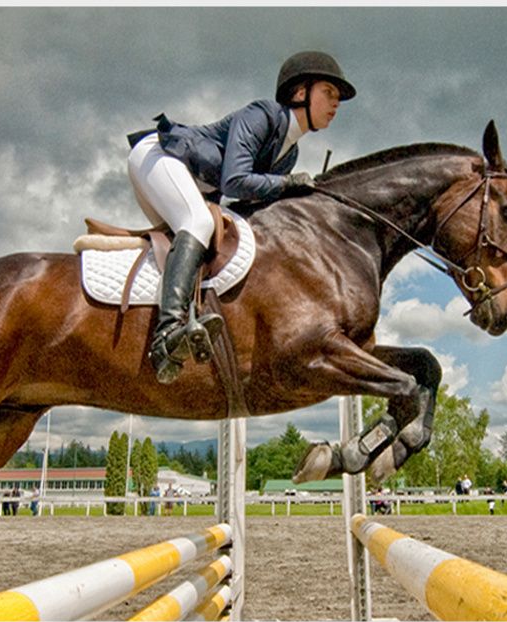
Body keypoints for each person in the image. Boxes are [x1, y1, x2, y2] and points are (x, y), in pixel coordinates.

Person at [127, 51, 356, 384]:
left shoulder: (288, 152)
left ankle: (191, 317)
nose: (336, 105)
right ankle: (166, 335)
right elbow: (234, 181)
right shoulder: (263, 114)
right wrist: (288, 183)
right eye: (329, 93)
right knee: (199, 223)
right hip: (160, 157)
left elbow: (247, 203)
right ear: (299, 93)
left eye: (337, 99)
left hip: (190, 183)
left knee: (211, 241)